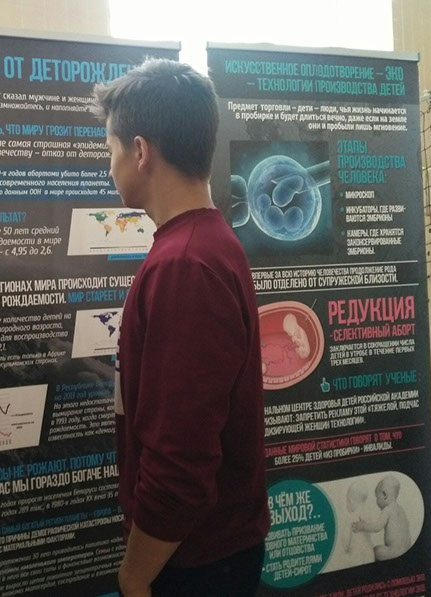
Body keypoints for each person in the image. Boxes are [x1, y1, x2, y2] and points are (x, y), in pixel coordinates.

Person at [92, 59, 270, 597]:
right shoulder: (206, 244)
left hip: (195, 560)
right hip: (207, 550)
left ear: (140, 152)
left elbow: (180, 460)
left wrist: (135, 574)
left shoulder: (185, 265)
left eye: (110, 150)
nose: (110, 167)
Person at [353, 474, 412, 561]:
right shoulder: (400, 510)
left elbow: (377, 527)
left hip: (393, 552)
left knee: (376, 550)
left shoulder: (387, 510)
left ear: (385, 495)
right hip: (407, 550)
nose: (377, 501)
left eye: (377, 497)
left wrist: (363, 526)